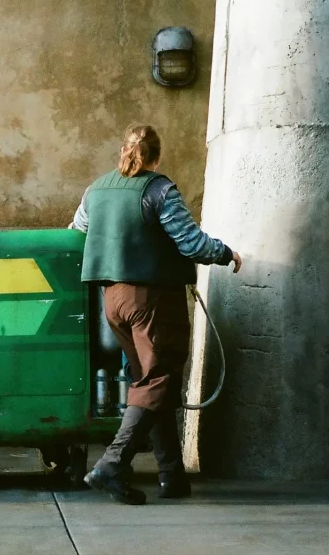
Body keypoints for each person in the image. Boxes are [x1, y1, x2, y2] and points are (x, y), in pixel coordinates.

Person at [70, 125, 242, 505]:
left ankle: (172, 476)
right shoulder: (159, 190)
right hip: (152, 300)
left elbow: (76, 232)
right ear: (156, 156)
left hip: (112, 301)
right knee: (158, 379)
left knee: (149, 382)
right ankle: (112, 464)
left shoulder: (95, 190)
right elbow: (193, 243)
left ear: (123, 151)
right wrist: (227, 253)